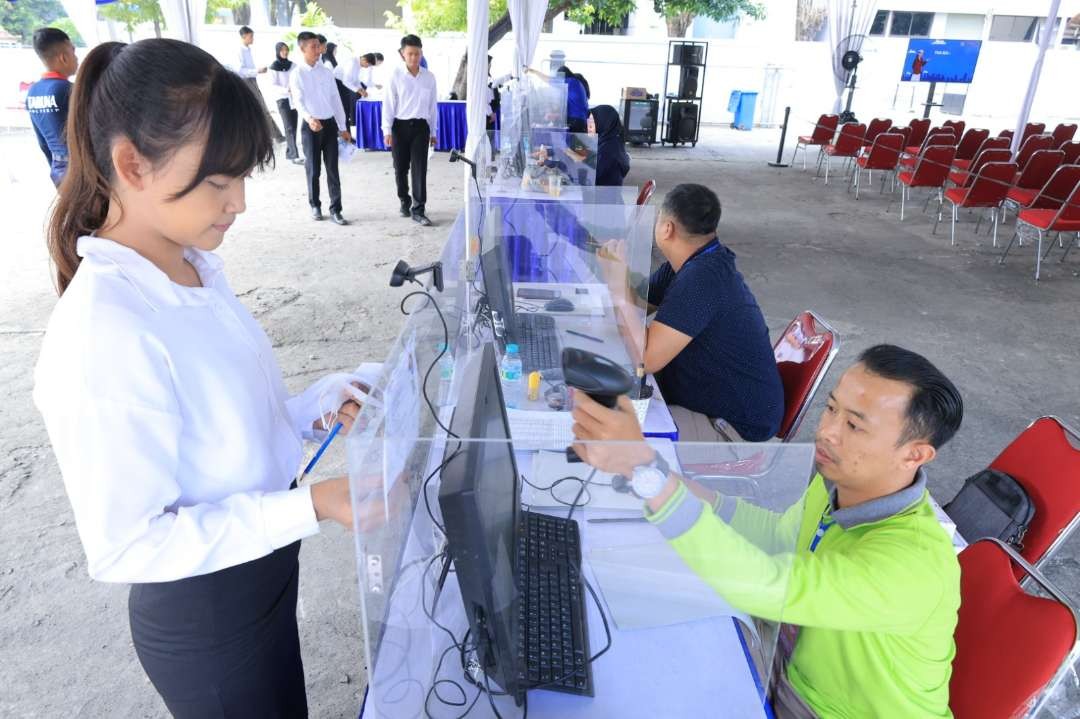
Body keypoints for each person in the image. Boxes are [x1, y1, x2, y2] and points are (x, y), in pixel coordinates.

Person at [34, 38, 367, 718]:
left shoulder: (190, 267)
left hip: (261, 570)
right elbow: (130, 540)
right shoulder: (105, 328)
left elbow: (222, 424)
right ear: (131, 164)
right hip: (206, 612)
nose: (238, 202)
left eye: (242, 177)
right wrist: (315, 504)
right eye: (218, 182)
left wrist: (315, 404)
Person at [571, 344, 964, 719]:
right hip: (780, 667)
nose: (827, 431)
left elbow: (772, 587)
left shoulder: (913, 565)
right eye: (830, 408)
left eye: (854, 425)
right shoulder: (838, 485)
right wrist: (657, 471)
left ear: (915, 454)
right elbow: (775, 535)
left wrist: (647, 476)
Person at [632, 183, 783, 442]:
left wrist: (614, 285)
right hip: (700, 400)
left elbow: (646, 359)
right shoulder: (690, 261)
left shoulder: (703, 279)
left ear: (667, 228)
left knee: (616, 430)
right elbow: (637, 303)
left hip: (731, 426)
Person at [291, 31, 353, 226]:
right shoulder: (297, 74)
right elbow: (298, 101)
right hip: (311, 125)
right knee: (313, 168)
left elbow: (336, 100)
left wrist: (343, 126)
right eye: (313, 47)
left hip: (329, 125)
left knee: (332, 169)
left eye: (319, 46)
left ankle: (336, 209)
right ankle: (315, 205)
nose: (318, 50)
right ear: (302, 49)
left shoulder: (326, 71)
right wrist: (309, 118)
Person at [382, 34, 438, 227]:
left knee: (419, 169)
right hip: (399, 126)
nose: (414, 58)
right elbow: (389, 104)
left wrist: (433, 132)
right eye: (410, 54)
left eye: (417, 54)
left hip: (421, 127)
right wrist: (387, 130)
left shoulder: (429, 77)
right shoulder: (395, 76)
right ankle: (404, 200)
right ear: (402, 54)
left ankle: (419, 209)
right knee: (400, 168)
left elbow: (432, 107)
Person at [26, 27, 78, 187]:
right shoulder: (69, 90)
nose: (76, 58)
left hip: (59, 169)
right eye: (73, 51)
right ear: (63, 57)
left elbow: (42, 142)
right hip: (82, 168)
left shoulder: (32, 92)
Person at [233, 26, 285, 143]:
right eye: (251, 36)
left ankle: (273, 136)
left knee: (258, 108)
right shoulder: (239, 51)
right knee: (260, 108)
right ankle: (275, 136)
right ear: (243, 37)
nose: (253, 39)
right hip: (246, 81)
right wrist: (257, 70)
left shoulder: (247, 49)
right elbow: (240, 71)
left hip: (252, 80)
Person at [525, 64, 590, 133]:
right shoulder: (576, 83)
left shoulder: (570, 81)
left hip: (575, 121)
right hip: (581, 121)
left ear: (563, 75)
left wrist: (534, 71)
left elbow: (548, 80)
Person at [269, 42, 303, 165]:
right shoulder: (273, 67)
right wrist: (286, 90)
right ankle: (294, 155)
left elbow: (298, 78)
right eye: (282, 50)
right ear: (278, 51)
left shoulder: (293, 65)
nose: (285, 52)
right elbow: (273, 85)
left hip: (294, 99)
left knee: (293, 126)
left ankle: (291, 153)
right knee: (288, 127)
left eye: (286, 50)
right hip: (282, 99)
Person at [587, 105, 629, 186]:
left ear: (603, 122)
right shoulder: (612, 141)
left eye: (592, 123)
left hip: (603, 196)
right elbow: (595, 161)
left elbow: (594, 175)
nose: (589, 127)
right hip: (607, 193)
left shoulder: (609, 149)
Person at [322, 42, 356, 129]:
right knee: (343, 112)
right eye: (335, 50)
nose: (336, 52)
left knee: (344, 112)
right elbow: (332, 79)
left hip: (341, 90)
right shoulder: (328, 63)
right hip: (339, 91)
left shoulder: (332, 61)